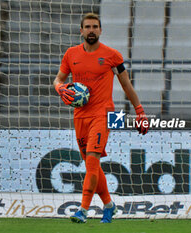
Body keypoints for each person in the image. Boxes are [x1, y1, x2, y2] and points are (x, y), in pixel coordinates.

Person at [53, 13, 149, 224]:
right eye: (87, 27)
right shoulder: (71, 54)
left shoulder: (112, 55)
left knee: (93, 158)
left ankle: (83, 210)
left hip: (105, 114)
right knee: (91, 165)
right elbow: (58, 79)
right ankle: (109, 206)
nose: (91, 30)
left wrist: (139, 111)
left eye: (95, 26)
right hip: (80, 115)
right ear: (81, 30)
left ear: (100, 30)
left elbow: (126, 85)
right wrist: (60, 89)